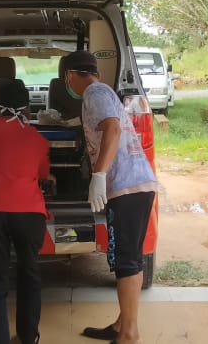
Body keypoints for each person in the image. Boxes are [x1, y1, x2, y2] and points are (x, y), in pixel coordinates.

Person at [62, 51, 159, 344]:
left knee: (126, 261)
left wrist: (99, 175)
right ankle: (122, 324)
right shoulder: (102, 90)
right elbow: (108, 124)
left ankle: (129, 334)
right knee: (132, 258)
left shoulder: (93, 92)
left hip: (126, 188)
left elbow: (113, 128)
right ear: (96, 72)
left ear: (69, 75)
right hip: (139, 185)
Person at [0, 79, 53, 344]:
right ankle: (29, 336)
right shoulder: (39, 140)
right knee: (29, 274)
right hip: (29, 213)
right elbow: (42, 175)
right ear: (27, 107)